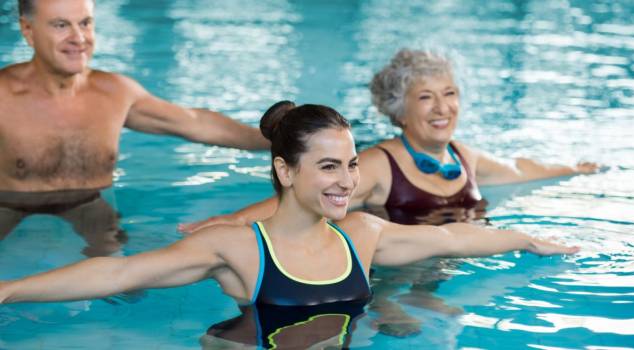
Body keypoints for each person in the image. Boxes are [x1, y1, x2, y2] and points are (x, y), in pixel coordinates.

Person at [0, 102, 578, 347]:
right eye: (328, 166)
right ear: (285, 169)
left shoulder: (361, 235)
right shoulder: (237, 249)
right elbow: (117, 275)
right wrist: (8, 291)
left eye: (351, 165)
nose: (346, 181)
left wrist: (527, 239)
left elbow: (454, 239)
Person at [179, 48, 598, 229]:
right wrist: (229, 221)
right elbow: (294, 202)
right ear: (399, 109)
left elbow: (519, 170)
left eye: (450, 94)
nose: (442, 108)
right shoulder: (379, 164)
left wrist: (576, 170)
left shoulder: (463, 156)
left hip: (453, 264)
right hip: (392, 277)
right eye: (426, 98)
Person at [0, 0, 269, 253]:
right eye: (61, 25)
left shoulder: (115, 93)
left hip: (90, 203)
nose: (79, 38)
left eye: (85, 23)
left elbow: (196, 123)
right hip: (9, 204)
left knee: (128, 289)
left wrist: (274, 139)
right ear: (28, 29)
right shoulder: (4, 95)